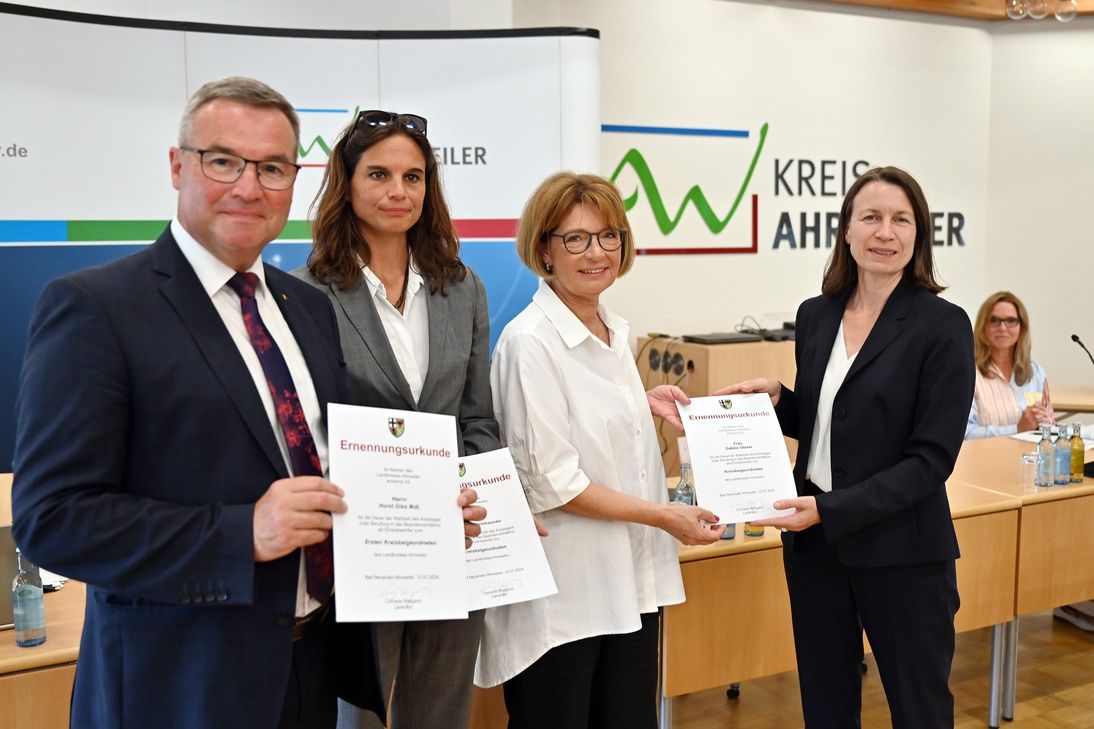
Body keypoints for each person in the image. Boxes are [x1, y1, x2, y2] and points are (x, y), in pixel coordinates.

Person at [11, 77, 482, 729]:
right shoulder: (97, 308)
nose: (249, 186)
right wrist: (241, 534)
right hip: (182, 684)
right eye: (223, 161)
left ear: (294, 180)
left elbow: (335, 471)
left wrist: (425, 512)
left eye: (272, 167)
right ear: (177, 166)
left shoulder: (306, 307)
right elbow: (52, 519)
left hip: (311, 671)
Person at [720, 166, 974, 728]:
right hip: (816, 550)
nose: (885, 232)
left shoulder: (943, 325)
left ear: (919, 233)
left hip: (903, 551)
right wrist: (779, 400)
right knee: (826, 707)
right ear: (847, 230)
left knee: (920, 711)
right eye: (872, 217)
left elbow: (930, 461)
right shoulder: (817, 314)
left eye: (901, 220)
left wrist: (829, 509)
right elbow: (830, 420)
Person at [480, 172, 724, 729]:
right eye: (576, 238)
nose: (596, 252)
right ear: (544, 250)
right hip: (567, 601)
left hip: (629, 588)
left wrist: (637, 404)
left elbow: (589, 432)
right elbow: (555, 483)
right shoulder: (529, 343)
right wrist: (663, 515)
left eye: (608, 235)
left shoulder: (613, 331)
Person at [296, 110, 497, 729]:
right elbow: (306, 432)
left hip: (452, 537)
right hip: (362, 544)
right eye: (379, 174)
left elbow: (477, 418)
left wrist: (476, 498)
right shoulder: (306, 292)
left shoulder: (462, 287)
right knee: (360, 715)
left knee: (441, 712)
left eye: (414, 177)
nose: (398, 191)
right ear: (348, 182)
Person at [965, 290, 1054, 438]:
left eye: (1011, 321)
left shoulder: (1035, 372)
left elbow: (1042, 426)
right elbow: (965, 433)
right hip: (986, 453)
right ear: (983, 326)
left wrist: (1046, 422)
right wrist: (1017, 429)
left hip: (1029, 452)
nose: (1002, 328)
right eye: (994, 320)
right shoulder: (969, 373)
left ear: (1021, 327)